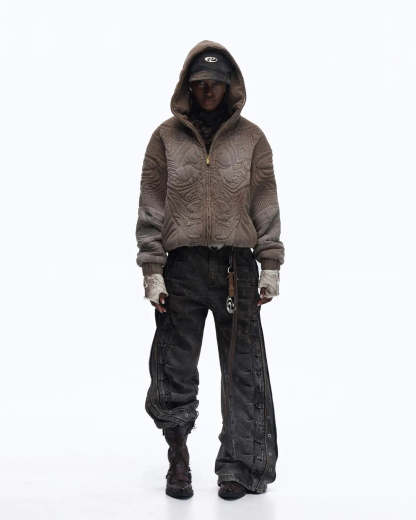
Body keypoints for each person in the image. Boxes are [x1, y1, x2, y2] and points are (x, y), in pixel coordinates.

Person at [135, 40, 285, 500]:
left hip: (236, 268)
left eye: (215, 83)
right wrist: (152, 269)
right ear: (187, 84)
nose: (207, 90)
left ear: (229, 85)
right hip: (181, 268)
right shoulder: (165, 138)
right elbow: (151, 205)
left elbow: (264, 202)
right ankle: (177, 457)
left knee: (243, 370)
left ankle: (239, 466)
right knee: (174, 366)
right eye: (199, 82)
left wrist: (270, 265)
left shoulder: (252, 139)